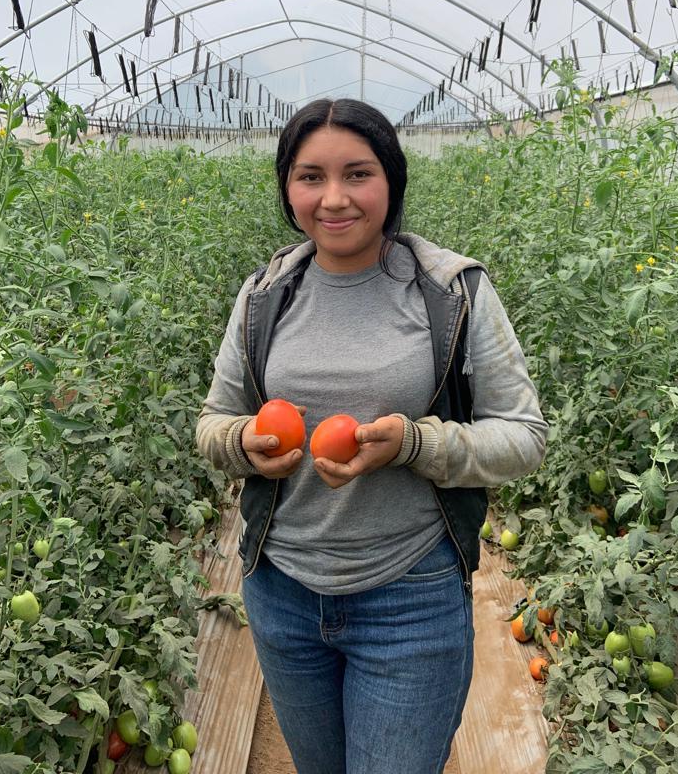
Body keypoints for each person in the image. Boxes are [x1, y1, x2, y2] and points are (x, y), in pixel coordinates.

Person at [196, 98, 548, 774]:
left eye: (357, 174)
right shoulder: (266, 294)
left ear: (391, 179)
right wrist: (246, 444)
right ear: (287, 188)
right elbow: (212, 422)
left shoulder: (453, 291)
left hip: (411, 598)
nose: (334, 198)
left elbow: (524, 436)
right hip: (282, 593)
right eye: (310, 177)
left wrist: (416, 444)